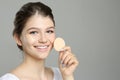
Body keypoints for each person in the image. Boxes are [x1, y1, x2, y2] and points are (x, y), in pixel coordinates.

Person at [0, 1, 79, 80]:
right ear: (18, 39)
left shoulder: (60, 74)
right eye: (33, 32)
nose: (43, 40)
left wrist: (67, 76)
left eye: (49, 31)